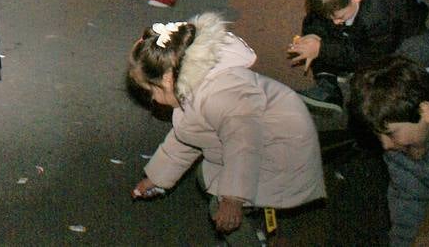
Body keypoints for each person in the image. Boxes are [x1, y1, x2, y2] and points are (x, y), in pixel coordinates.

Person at [128, 13, 325, 242]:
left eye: (151, 91)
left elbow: (244, 146)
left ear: (167, 80)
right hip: (261, 140)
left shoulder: (220, 95)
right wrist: (158, 178)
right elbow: (189, 137)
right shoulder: (193, 83)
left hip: (281, 149)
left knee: (220, 209)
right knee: (207, 177)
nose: (152, 100)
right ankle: (254, 211)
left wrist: (232, 199)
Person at [349, 49, 429, 247]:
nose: (386, 145)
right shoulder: (401, 152)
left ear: (425, 112)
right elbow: (409, 207)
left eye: (391, 133)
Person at [286, 0, 428, 111]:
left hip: (399, 36)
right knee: (320, 33)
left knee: (380, 79)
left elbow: (367, 55)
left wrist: (322, 49)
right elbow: (316, 18)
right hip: (362, 25)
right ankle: (328, 86)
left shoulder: (379, 15)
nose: (334, 22)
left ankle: (343, 78)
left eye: (339, 17)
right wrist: (314, 35)